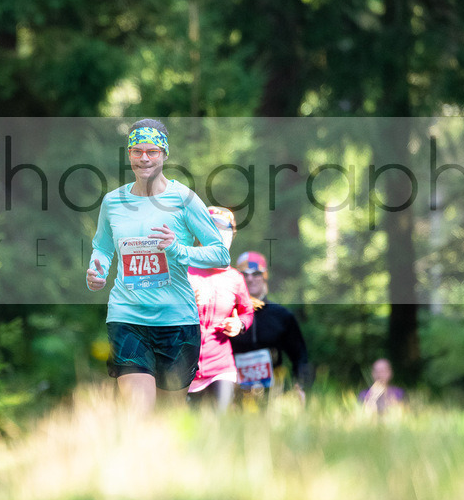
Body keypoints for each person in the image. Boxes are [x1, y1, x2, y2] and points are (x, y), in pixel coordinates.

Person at [86, 119, 230, 412]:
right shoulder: (113, 202)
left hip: (176, 320)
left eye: (152, 151)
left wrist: (177, 249)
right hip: (127, 317)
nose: (144, 158)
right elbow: (102, 246)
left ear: (164, 154)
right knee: (137, 413)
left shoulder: (184, 200)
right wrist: (97, 270)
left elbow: (219, 254)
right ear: (128, 154)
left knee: (167, 418)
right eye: (137, 151)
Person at [186, 207, 254, 413]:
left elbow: (247, 311)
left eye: (225, 230)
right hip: (183, 368)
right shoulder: (183, 270)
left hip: (220, 367)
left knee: (219, 430)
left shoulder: (235, 278)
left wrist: (239, 324)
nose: (219, 234)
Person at [229, 251, 310, 402]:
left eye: (256, 273)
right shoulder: (227, 313)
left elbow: (300, 356)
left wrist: (300, 386)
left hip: (274, 395)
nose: (250, 278)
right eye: (244, 274)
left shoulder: (282, 316)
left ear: (265, 276)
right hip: (234, 395)